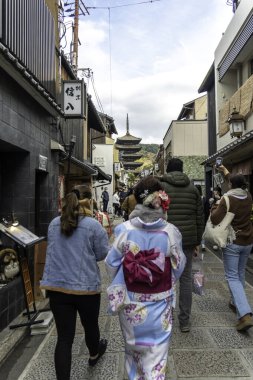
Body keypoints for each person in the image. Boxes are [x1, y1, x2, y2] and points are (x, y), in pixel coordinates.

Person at [105, 176, 186, 379]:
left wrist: (127, 277)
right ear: (160, 199)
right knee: (158, 352)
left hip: (132, 301)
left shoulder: (123, 230)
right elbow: (179, 266)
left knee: (133, 350)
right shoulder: (171, 232)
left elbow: (111, 264)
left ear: (138, 201)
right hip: (161, 300)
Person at [40, 191, 110, 380]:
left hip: (58, 287)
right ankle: (94, 354)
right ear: (87, 203)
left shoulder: (54, 224)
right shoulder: (93, 226)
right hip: (86, 287)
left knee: (64, 338)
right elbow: (102, 253)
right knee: (90, 325)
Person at [160, 158, 204, 332]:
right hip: (187, 239)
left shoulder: (161, 187)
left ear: (168, 169)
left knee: (164, 279)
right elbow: (200, 216)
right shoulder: (193, 189)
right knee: (185, 279)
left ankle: (164, 318)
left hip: (164, 240)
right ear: (182, 169)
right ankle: (184, 321)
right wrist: (197, 240)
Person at [210, 165, 253, 331]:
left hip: (233, 242)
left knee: (232, 276)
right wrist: (226, 172)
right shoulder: (248, 195)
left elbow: (214, 220)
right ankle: (236, 302)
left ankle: (244, 314)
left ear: (230, 186)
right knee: (240, 273)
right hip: (248, 241)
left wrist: (215, 205)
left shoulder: (227, 199)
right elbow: (235, 182)